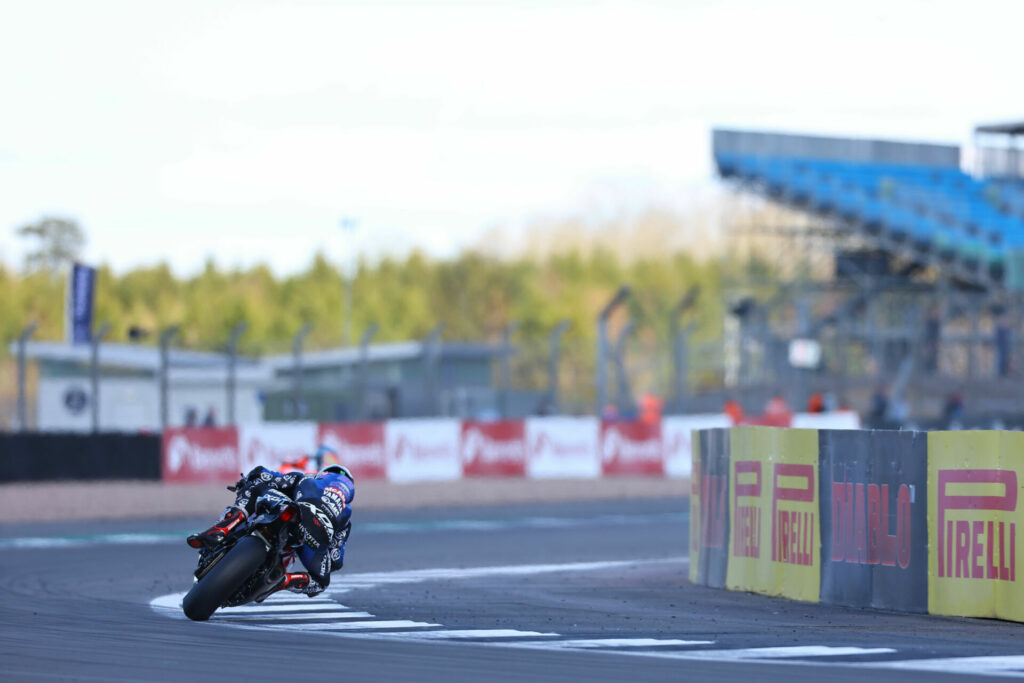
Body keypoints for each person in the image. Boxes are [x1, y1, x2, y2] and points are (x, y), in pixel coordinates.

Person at [187, 445, 355, 599]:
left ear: (323, 474)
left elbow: (267, 477)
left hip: (293, 508)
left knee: (256, 484)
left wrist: (247, 481)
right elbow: (336, 560)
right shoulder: (346, 516)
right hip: (313, 536)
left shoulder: (307, 479)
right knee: (320, 583)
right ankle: (283, 581)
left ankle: (223, 528)